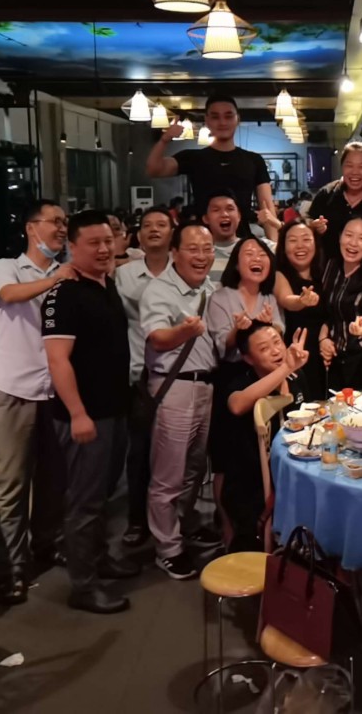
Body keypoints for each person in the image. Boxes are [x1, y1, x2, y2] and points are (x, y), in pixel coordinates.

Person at [42, 210, 141, 615]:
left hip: (114, 408)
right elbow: (57, 360)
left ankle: (99, 559)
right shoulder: (64, 293)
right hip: (84, 416)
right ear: (72, 247)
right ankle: (83, 586)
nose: (103, 249)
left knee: (103, 494)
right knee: (84, 501)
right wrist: (78, 413)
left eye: (108, 241)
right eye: (93, 243)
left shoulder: (106, 284)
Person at [0, 200, 75, 606]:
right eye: (54, 221)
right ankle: (14, 564)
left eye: (64, 222)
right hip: (15, 389)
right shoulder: (7, 267)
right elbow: (9, 295)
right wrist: (57, 278)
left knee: (55, 477)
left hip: (55, 388)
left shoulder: (67, 270)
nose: (61, 228)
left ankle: (45, 543)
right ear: (31, 228)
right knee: (13, 482)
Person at [141, 222, 223, 579]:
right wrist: (183, 331)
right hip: (174, 387)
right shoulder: (159, 290)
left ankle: (183, 527)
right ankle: (168, 549)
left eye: (207, 249)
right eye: (193, 249)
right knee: (168, 476)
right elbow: (157, 338)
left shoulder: (210, 289)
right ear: (174, 252)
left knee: (193, 470)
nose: (202, 256)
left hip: (206, 387)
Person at [205, 237, 283, 547]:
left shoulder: (269, 297)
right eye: (248, 253)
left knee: (256, 454)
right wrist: (239, 330)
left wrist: (268, 328)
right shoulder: (221, 297)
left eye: (262, 254)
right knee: (226, 459)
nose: (257, 258)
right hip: (232, 379)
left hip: (265, 377)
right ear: (236, 264)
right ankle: (226, 526)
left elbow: (277, 335)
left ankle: (260, 522)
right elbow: (221, 346)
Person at [216, 323, 309, 551]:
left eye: (277, 342)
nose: (276, 351)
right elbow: (237, 405)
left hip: (291, 474)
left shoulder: (296, 376)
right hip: (252, 487)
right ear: (248, 358)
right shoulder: (240, 381)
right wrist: (285, 368)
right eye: (264, 348)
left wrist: (289, 370)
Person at [114, 206, 173, 548]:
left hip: (178, 374)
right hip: (139, 374)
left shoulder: (184, 270)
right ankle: (137, 519)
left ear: (172, 233)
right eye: (147, 225)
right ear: (138, 236)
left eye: (161, 224)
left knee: (178, 453)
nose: (154, 229)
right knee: (139, 452)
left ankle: (175, 518)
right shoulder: (123, 275)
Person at [145, 95, 274, 228]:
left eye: (228, 116)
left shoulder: (254, 160)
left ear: (238, 120)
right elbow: (153, 170)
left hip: (242, 237)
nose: (222, 122)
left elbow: (267, 207)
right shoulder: (193, 157)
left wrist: (274, 239)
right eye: (215, 117)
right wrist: (164, 140)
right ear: (207, 121)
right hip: (202, 236)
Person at [318, 215, 362, 390]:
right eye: (349, 235)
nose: (353, 243)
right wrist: (323, 339)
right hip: (334, 359)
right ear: (340, 236)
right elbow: (328, 313)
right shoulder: (331, 266)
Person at [306, 141, 362, 258]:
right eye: (349, 165)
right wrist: (313, 227)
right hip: (328, 266)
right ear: (342, 167)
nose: (355, 172)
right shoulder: (326, 194)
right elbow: (306, 223)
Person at [273, 220, 326, 401]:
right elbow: (287, 300)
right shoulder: (279, 274)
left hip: (326, 353)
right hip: (298, 356)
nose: (300, 246)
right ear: (283, 246)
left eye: (306, 239)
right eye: (292, 240)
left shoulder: (325, 272)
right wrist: (302, 301)